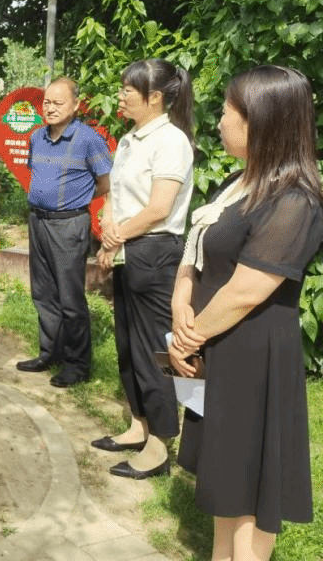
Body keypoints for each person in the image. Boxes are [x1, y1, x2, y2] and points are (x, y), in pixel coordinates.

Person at [170, 66, 322, 561]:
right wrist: (180, 302)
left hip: (254, 357)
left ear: (261, 121)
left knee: (250, 490)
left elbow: (246, 291)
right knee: (226, 480)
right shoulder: (239, 182)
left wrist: (188, 338)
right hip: (218, 343)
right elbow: (197, 252)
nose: (218, 121)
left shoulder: (294, 200)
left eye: (227, 111)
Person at [92, 58, 194, 480]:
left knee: (154, 349)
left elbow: (159, 208)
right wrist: (108, 230)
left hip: (154, 252)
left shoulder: (171, 140)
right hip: (128, 249)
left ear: (155, 97)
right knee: (128, 343)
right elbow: (115, 195)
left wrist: (116, 237)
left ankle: (160, 443)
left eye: (127, 90)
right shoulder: (130, 139)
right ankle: (139, 424)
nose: (120, 96)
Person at [17, 78, 112, 387]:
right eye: (46, 102)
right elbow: (37, 174)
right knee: (43, 293)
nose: (50, 108)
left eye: (58, 103)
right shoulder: (37, 137)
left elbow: (106, 183)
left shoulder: (88, 139)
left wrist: (77, 199)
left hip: (69, 225)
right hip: (38, 222)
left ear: (75, 105)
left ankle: (77, 364)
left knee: (70, 298)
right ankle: (50, 353)